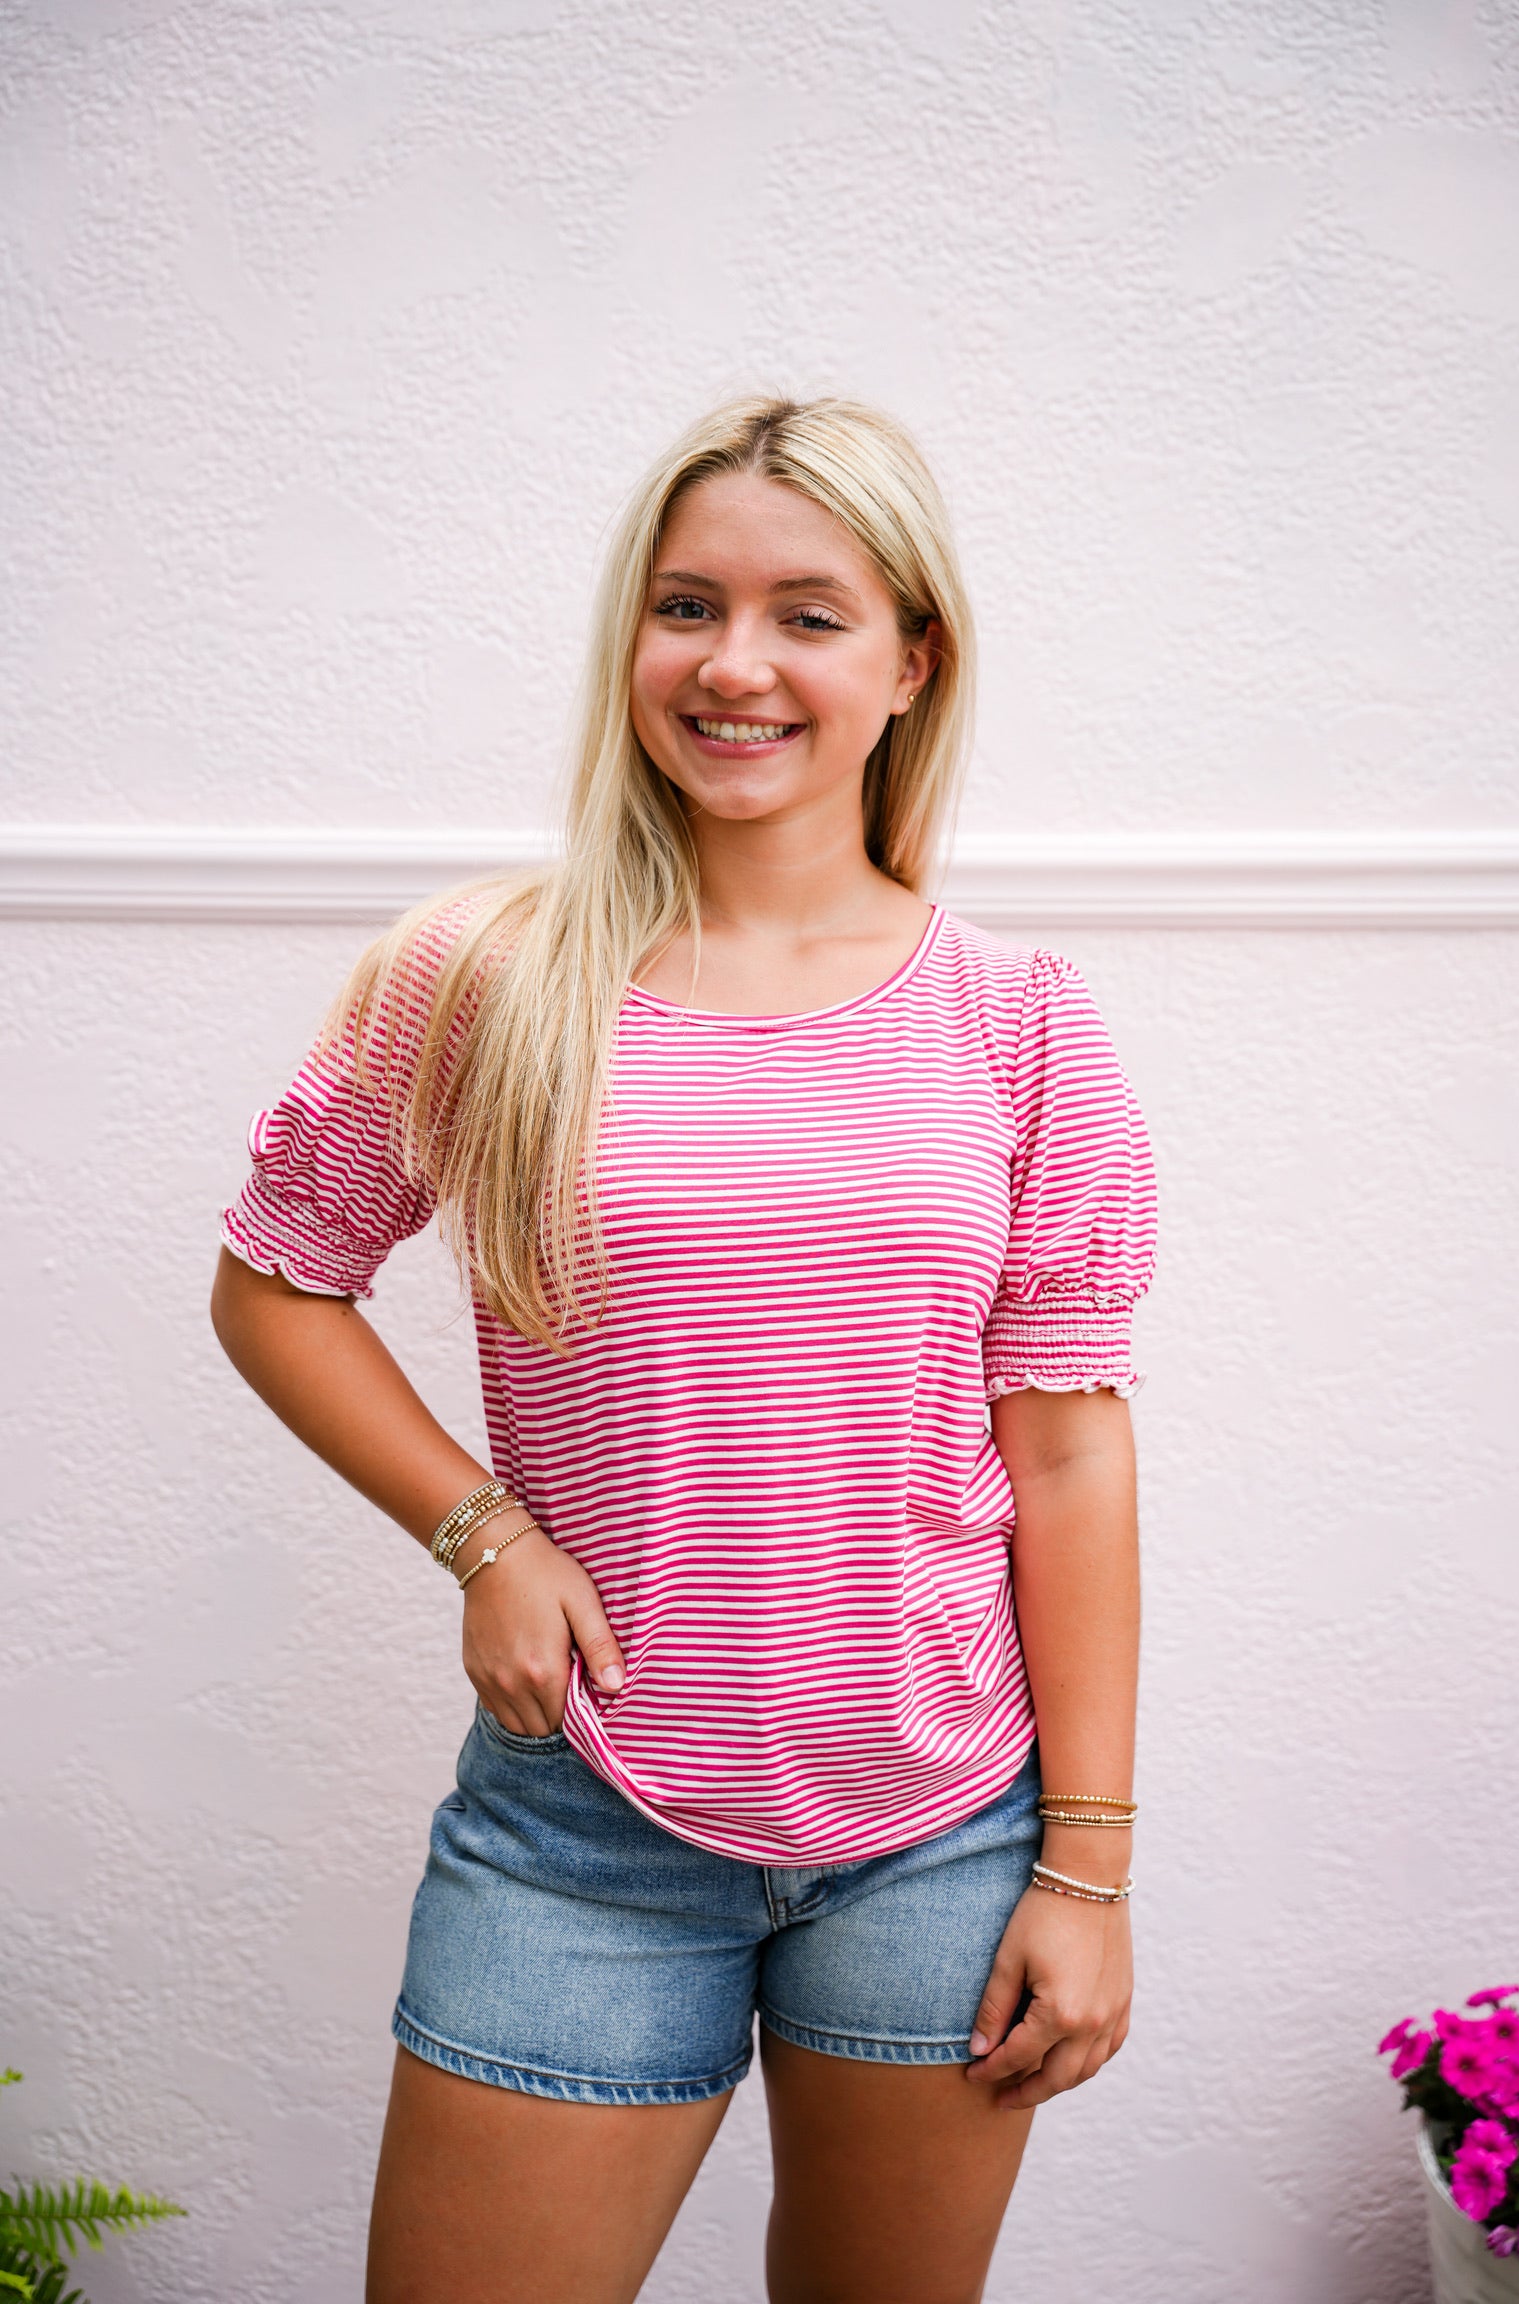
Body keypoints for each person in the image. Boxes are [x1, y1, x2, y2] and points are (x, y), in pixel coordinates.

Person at [210, 394, 1157, 2304]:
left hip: (943, 1831)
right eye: (685, 606)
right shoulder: (487, 978)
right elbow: (275, 1281)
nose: (735, 665)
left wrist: (1090, 1869)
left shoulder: (1023, 1023)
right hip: (582, 1822)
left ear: (911, 660)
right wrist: (483, 1533)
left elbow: (1065, 1454)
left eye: (810, 614)